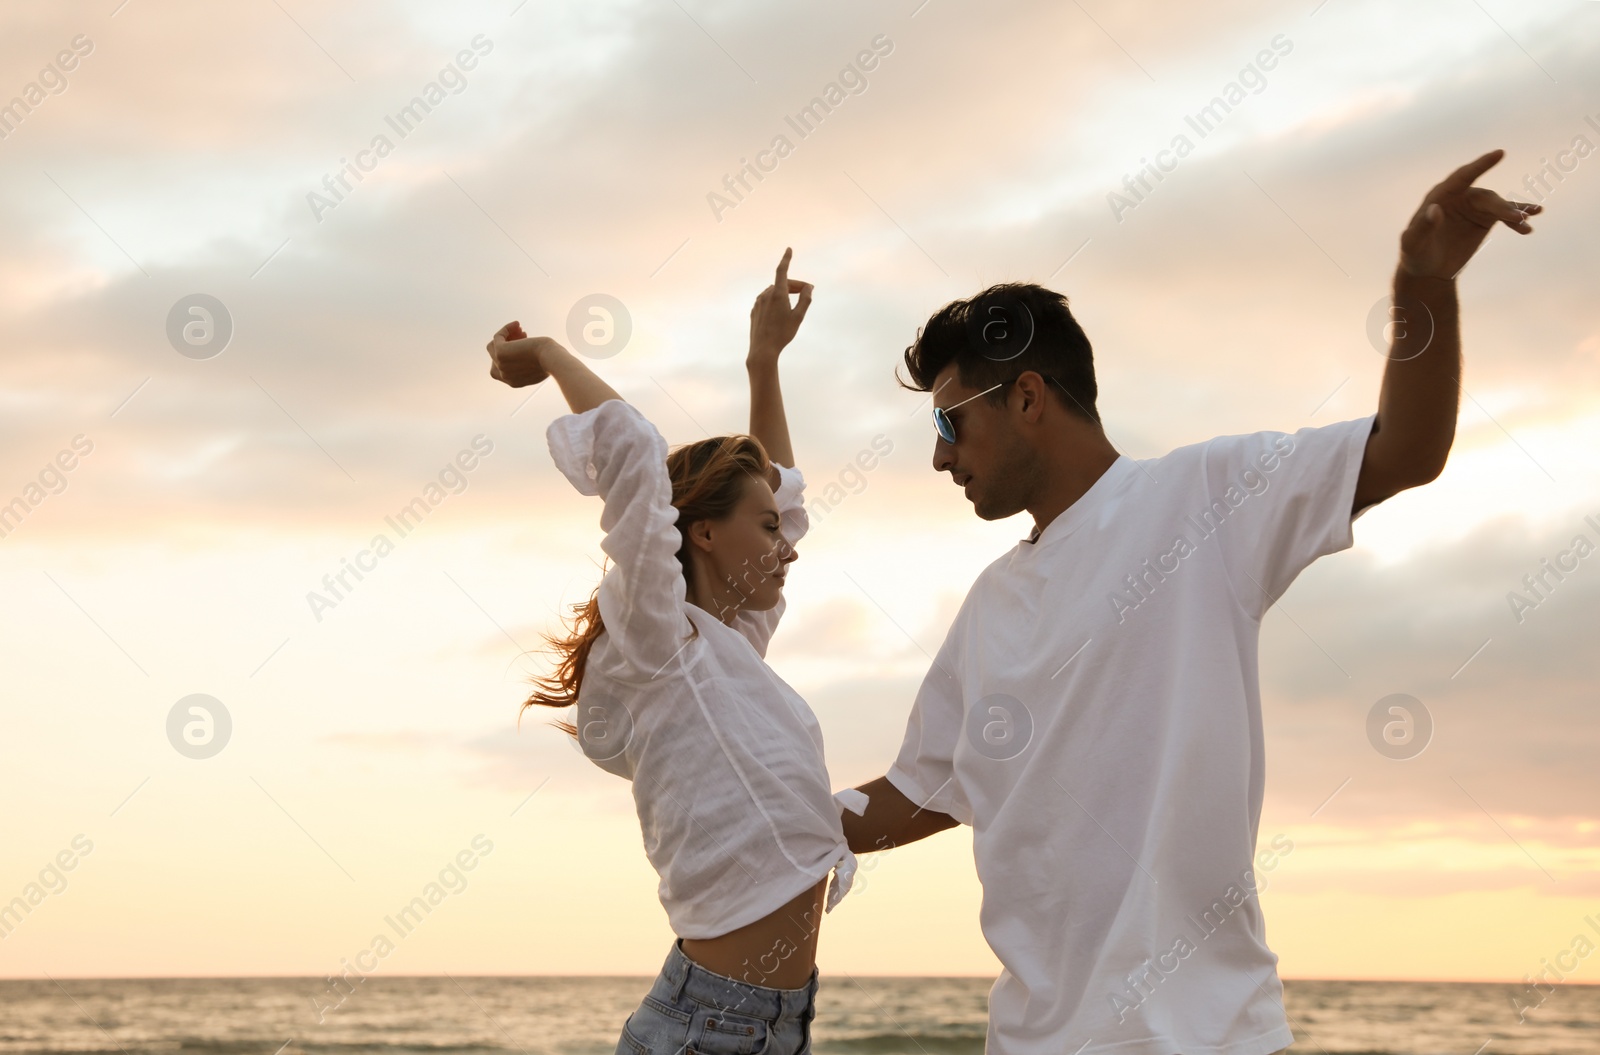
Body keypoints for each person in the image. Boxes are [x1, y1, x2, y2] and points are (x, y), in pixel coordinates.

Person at [837, 151, 1541, 1055]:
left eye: (947, 421)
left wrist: (1423, 285)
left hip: (1207, 1036)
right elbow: (923, 790)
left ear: (1025, 397)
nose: (940, 456)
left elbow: (1407, 450)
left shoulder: (1205, 498)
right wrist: (770, 819)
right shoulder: (987, 605)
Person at [486, 250, 852, 1055]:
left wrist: (764, 363)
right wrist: (547, 354)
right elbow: (630, 449)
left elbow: (781, 492)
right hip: (707, 1030)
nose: (788, 544)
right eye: (765, 530)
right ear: (704, 535)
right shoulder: (660, 638)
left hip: (770, 1028)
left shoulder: (727, 650)